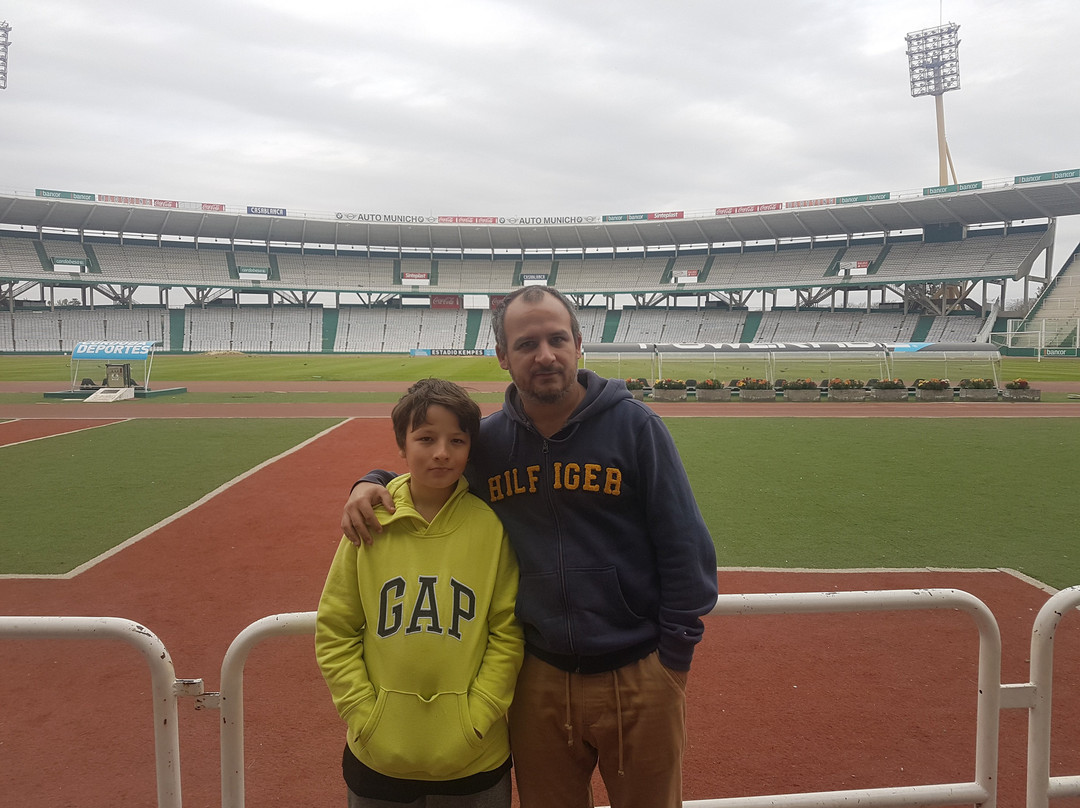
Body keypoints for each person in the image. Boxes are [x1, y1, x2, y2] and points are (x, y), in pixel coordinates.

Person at [342, 287, 718, 808]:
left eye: (557, 339)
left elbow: (684, 546)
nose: (545, 354)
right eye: (526, 343)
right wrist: (370, 479)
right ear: (503, 356)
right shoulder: (489, 443)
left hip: (639, 672)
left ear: (579, 344)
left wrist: (672, 659)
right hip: (537, 676)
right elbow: (430, 468)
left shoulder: (636, 427)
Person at [317, 378, 524, 808]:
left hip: (474, 757)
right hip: (377, 754)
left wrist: (478, 716)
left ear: (471, 449)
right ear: (402, 444)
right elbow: (337, 627)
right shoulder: (369, 522)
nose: (442, 452)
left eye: (457, 440)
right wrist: (364, 714)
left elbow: (507, 632)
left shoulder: (492, 526)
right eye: (426, 438)